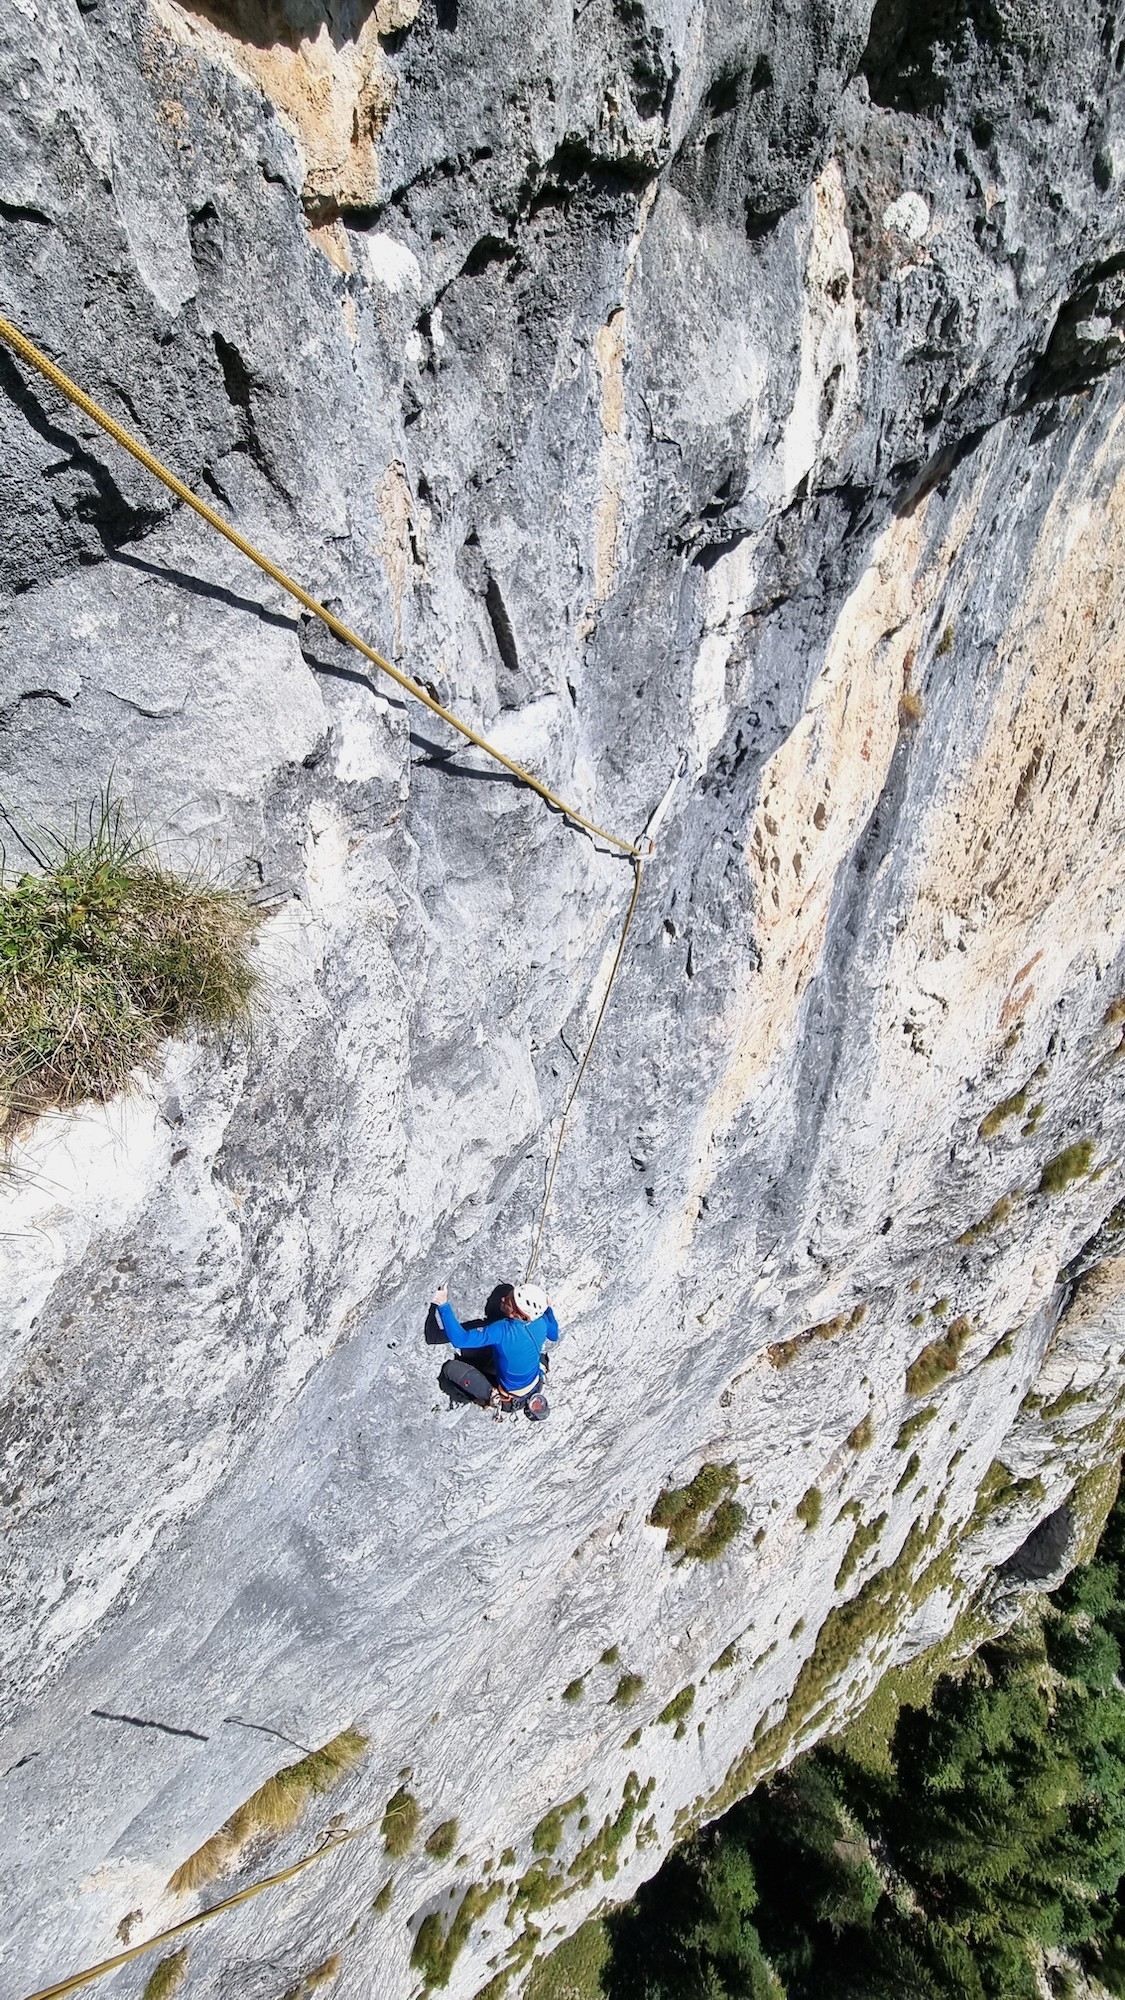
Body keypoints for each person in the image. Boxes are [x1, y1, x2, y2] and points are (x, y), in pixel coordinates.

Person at [431, 1281, 559, 1403]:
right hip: (534, 1379)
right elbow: (554, 1335)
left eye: (508, 1302)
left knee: (450, 1368)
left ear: (519, 1315)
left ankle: (484, 1399)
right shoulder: (541, 1321)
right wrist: (547, 1308)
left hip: (510, 1395)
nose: (502, 1299)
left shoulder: (503, 1330)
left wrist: (443, 1304)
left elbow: (460, 1340)